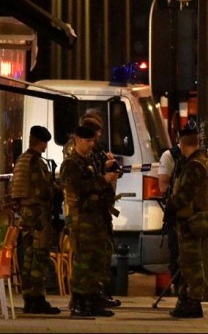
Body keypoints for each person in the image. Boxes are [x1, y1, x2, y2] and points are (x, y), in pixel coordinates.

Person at [60, 125, 119, 317]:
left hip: (96, 218)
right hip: (82, 219)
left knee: (96, 260)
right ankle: (79, 301)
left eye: (93, 141)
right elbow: (78, 188)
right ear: (77, 140)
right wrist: (103, 179)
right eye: (87, 141)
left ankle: (92, 299)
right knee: (84, 261)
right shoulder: (71, 164)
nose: (91, 145)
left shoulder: (90, 161)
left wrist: (107, 171)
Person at [164, 124, 208, 318]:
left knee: (191, 262)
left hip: (191, 219)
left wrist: (172, 206)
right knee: (186, 260)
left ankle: (193, 301)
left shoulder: (195, 165)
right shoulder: (199, 161)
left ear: (182, 143)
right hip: (190, 218)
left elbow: (185, 194)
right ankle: (187, 299)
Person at [10, 126, 61, 314]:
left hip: (26, 214)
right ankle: (37, 298)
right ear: (42, 142)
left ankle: (29, 298)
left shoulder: (22, 160)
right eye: (45, 143)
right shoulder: (36, 163)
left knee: (28, 256)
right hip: (38, 213)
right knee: (39, 255)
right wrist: (56, 189)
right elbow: (42, 190)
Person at [158, 143, 183, 293]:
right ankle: (179, 287)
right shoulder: (170, 156)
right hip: (177, 214)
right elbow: (163, 187)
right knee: (176, 249)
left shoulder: (206, 156)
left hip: (194, 213)